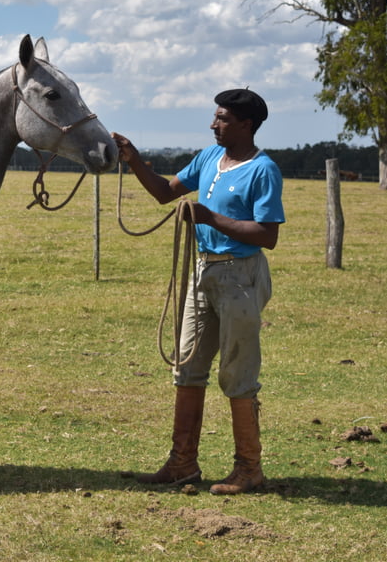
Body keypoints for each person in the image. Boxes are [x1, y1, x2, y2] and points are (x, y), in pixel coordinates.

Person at [112, 88, 285, 495]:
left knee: (237, 374)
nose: (213, 124)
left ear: (247, 124)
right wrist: (135, 159)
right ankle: (182, 463)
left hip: (241, 277)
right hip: (203, 271)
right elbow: (164, 192)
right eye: (215, 117)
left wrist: (211, 218)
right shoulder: (209, 158)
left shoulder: (263, 170)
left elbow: (267, 235)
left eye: (222, 118)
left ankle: (249, 468)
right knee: (187, 365)